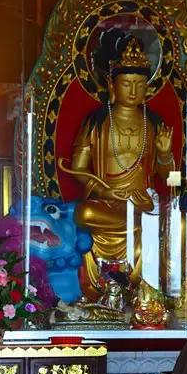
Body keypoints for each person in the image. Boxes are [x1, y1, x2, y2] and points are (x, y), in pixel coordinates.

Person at [62, 33, 175, 296]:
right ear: (112, 86)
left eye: (139, 84)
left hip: (142, 205)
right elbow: (78, 170)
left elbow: (172, 180)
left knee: (173, 221)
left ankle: (150, 291)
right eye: (127, 84)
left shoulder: (156, 124)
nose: (133, 91)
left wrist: (165, 156)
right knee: (84, 213)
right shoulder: (97, 120)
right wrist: (105, 191)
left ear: (147, 87)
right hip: (106, 204)